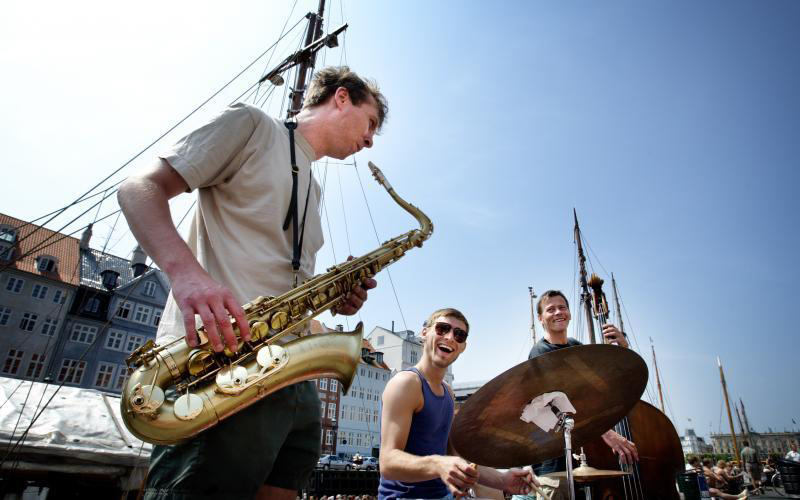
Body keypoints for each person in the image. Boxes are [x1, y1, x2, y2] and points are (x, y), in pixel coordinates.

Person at [118, 66, 388, 500]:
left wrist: (335, 295)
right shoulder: (251, 125)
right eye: (370, 122)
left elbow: (279, 274)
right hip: (219, 363)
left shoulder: (314, 188)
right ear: (341, 98)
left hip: (288, 372)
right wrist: (187, 275)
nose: (371, 140)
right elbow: (138, 189)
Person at [378, 308, 540, 499]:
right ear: (424, 333)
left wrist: (503, 480)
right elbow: (388, 462)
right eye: (442, 328)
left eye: (459, 335)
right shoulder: (407, 383)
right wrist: (437, 464)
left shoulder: (448, 392)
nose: (450, 337)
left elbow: (456, 457)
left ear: (463, 347)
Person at [519, 290, 638, 499]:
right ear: (540, 318)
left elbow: (599, 391)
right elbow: (559, 405)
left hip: (581, 457)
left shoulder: (576, 348)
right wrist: (607, 433)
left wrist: (623, 350)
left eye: (562, 307)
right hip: (553, 463)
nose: (558, 312)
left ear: (570, 313)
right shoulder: (540, 352)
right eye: (550, 309)